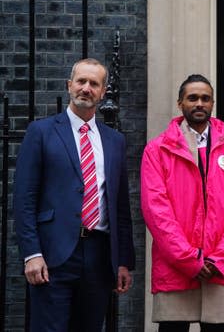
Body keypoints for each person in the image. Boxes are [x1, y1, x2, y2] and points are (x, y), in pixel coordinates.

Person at [13, 58, 135, 332]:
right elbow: (24, 200)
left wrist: (124, 260)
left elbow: (120, 207)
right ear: (69, 85)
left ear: (103, 92)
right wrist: (31, 253)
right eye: (81, 81)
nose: (86, 88)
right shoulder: (41, 132)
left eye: (94, 83)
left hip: (99, 255)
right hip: (53, 253)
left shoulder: (114, 141)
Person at [140, 74, 224, 332]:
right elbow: (157, 212)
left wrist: (219, 260)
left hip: (219, 270)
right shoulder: (156, 150)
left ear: (213, 103)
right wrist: (189, 260)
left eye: (205, 98)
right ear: (180, 103)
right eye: (192, 98)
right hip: (175, 268)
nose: (199, 103)